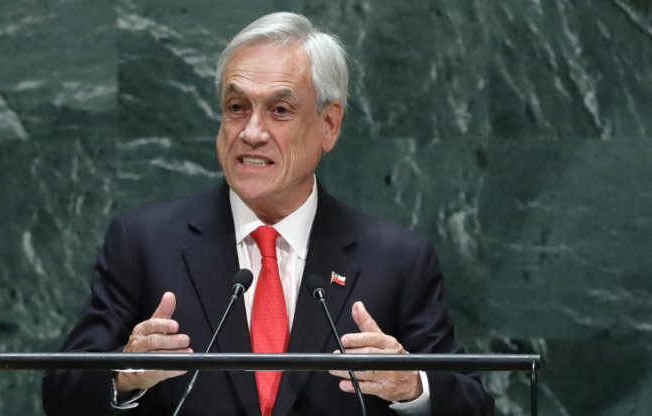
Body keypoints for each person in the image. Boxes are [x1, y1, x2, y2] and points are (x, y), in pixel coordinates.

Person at [42, 11, 494, 416]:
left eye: (280, 110)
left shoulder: (397, 260)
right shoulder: (143, 242)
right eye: (237, 108)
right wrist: (124, 373)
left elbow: (471, 402)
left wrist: (412, 385)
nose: (252, 133)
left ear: (329, 125)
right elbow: (61, 394)